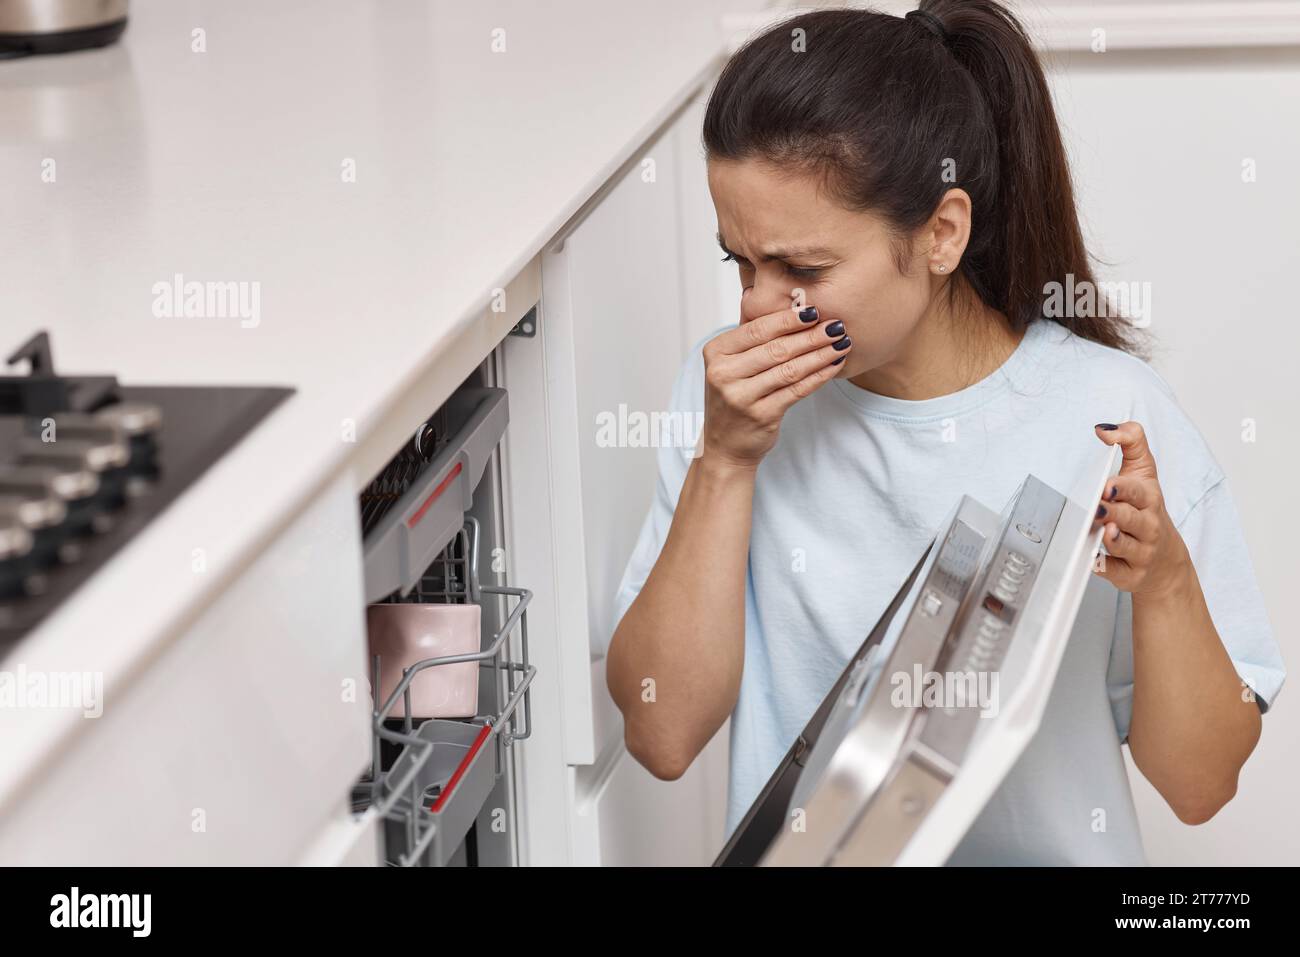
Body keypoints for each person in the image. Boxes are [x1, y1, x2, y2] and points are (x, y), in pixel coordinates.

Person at [602, 2, 1286, 865]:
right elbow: (662, 735)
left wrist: (1166, 584)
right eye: (739, 261)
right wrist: (725, 464)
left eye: (802, 269)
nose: (754, 308)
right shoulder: (727, 398)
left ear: (942, 233)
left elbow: (1201, 787)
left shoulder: (1113, 416)